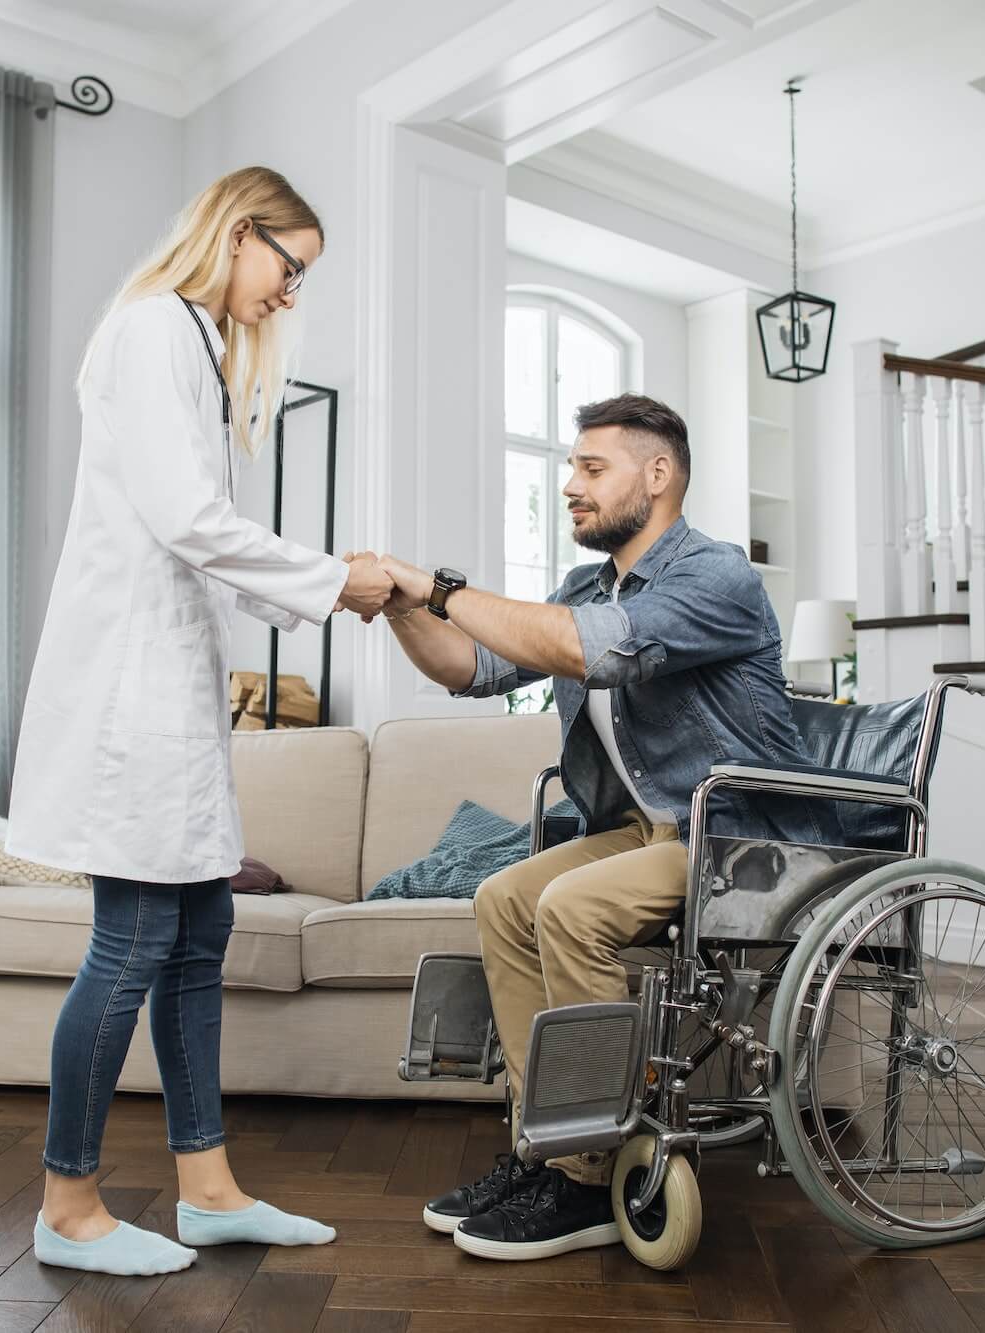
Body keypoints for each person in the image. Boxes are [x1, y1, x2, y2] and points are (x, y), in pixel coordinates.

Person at [6, 166, 394, 1276]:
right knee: (129, 943)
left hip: (170, 693)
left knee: (198, 939)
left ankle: (209, 1189)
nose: (291, 292)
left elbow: (201, 543)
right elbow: (188, 521)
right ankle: (67, 1207)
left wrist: (330, 589)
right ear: (237, 232)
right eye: (291, 265)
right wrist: (336, 579)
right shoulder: (151, 332)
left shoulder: (191, 343)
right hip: (132, 695)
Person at [369, 393, 837, 1262]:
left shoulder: (716, 576)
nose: (571, 486)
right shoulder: (586, 583)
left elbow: (591, 650)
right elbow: (469, 666)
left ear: (657, 476)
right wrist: (402, 604)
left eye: (591, 468)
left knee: (570, 908)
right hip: (647, 829)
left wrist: (439, 586)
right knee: (505, 895)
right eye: (571, 468)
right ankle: (539, 1145)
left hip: (739, 839)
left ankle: (586, 1174)